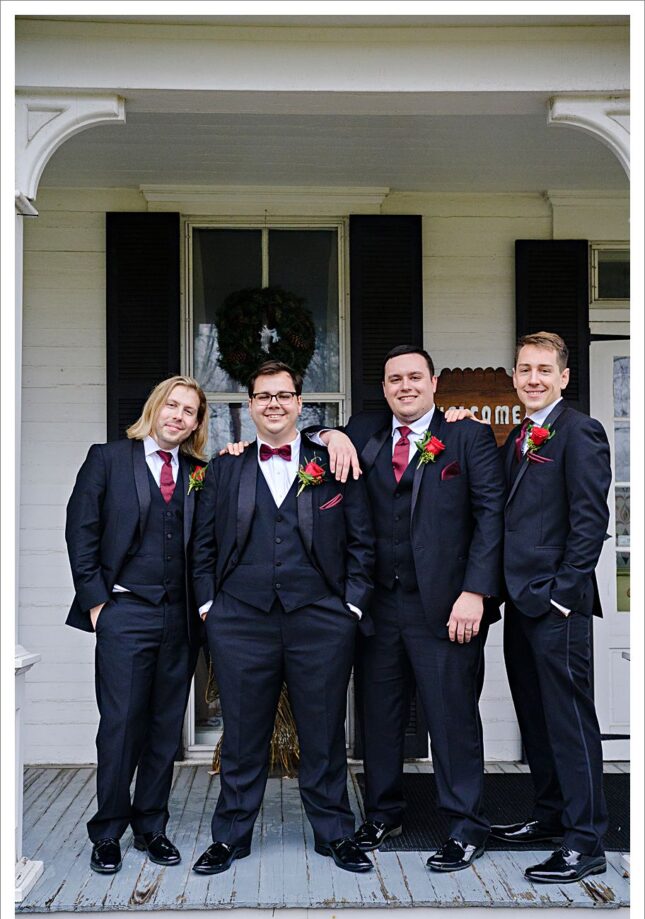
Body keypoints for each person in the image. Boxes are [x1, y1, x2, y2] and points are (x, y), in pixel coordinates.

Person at [321, 346, 506, 872]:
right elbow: (307, 439)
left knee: (451, 716)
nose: (405, 386)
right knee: (379, 717)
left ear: (434, 382)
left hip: (448, 607)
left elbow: (490, 516)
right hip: (378, 606)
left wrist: (476, 592)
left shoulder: (466, 436)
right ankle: (383, 814)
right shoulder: (362, 431)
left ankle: (466, 827)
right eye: (394, 379)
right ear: (383, 388)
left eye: (414, 377)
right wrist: (330, 434)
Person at [191, 360, 375, 875]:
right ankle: (230, 838)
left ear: (300, 403)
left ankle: (335, 834)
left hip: (320, 619)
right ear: (249, 406)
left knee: (323, 733)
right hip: (240, 620)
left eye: (284, 395)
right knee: (244, 735)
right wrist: (210, 607)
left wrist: (350, 607)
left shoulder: (334, 461)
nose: (274, 404)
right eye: (263, 396)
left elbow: (363, 541)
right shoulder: (223, 468)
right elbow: (202, 545)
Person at [65, 376, 209, 874]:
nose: (178, 416)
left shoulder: (199, 472)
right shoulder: (107, 459)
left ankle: (152, 827)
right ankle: (107, 831)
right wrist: (97, 604)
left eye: (189, 411)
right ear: (155, 407)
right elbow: (81, 531)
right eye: (172, 405)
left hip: (181, 619)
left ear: (196, 423)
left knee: (165, 730)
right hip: (124, 613)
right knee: (122, 726)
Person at [490, 331, 612, 884]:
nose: (532, 378)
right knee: (535, 719)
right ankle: (550, 816)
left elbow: (590, 523)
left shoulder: (579, 432)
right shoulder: (519, 435)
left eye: (544, 369)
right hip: (521, 603)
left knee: (568, 722)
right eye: (524, 369)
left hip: (557, 605)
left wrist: (563, 596)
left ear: (564, 377)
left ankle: (586, 841)